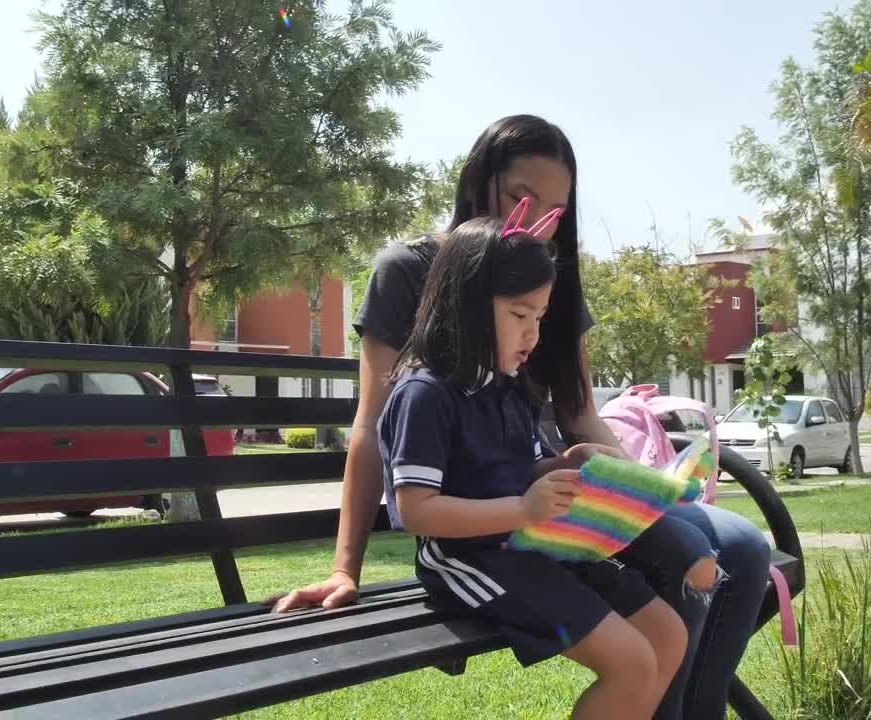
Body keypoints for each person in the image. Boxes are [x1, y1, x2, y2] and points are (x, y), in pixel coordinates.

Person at [270, 114, 773, 720]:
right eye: (521, 198)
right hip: (496, 529)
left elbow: (580, 413)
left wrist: (634, 482)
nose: (537, 221)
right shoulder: (414, 286)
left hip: (551, 502)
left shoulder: (542, 291)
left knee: (736, 548)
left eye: (555, 210)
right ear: (478, 182)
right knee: (683, 579)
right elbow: (374, 429)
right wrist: (344, 568)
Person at [378, 206, 690, 718]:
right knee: (631, 661)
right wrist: (524, 511)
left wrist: (577, 465)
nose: (533, 335)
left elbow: (530, 470)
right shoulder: (426, 394)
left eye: (539, 318)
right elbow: (416, 511)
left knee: (667, 635)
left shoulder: (509, 389)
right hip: (470, 559)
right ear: (468, 307)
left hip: (535, 545)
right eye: (520, 316)